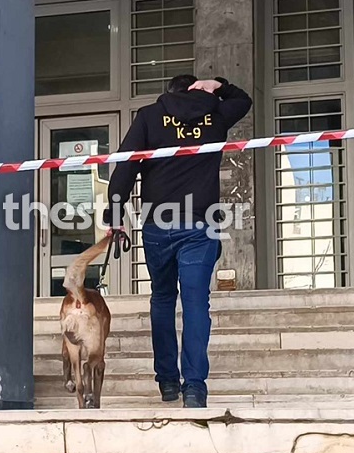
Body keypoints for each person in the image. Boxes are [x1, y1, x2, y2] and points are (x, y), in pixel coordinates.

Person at [102, 74, 252, 408]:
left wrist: (114, 216)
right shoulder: (214, 114)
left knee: (163, 299)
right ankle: (195, 387)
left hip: (158, 223)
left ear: (168, 93)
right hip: (200, 224)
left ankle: (168, 381)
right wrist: (219, 84)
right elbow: (243, 100)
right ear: (196, 90)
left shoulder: (150, 116)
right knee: (197, 303)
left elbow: (125, 168)